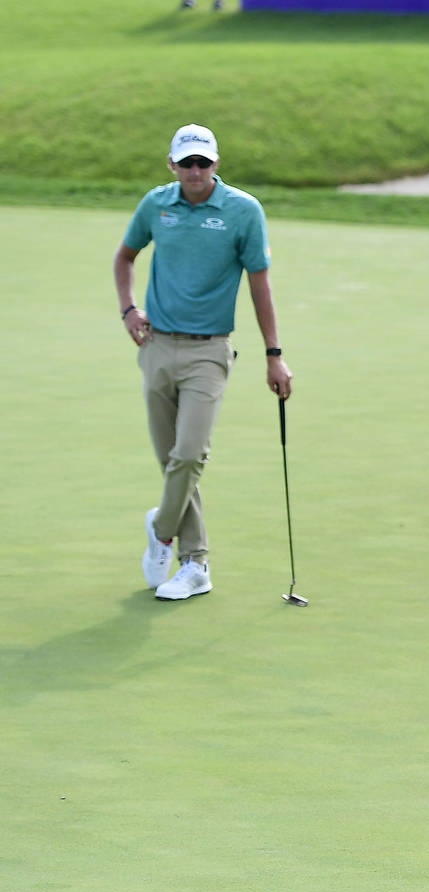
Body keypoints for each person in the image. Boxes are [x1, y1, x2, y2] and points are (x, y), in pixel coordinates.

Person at [115, 123, 292, 600]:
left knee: (189, 455)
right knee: (173, 462)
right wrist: (129, 309)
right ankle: (196, 566)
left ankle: (163, 529)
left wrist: (274, 355)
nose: (196, 171)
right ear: (172, 164)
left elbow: (260, 284)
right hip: (156, 347)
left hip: (209, 350)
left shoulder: (243, 211)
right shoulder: (156, 204)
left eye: (204, 163)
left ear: (216, 164)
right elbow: (125, 256)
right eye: (187, 163)